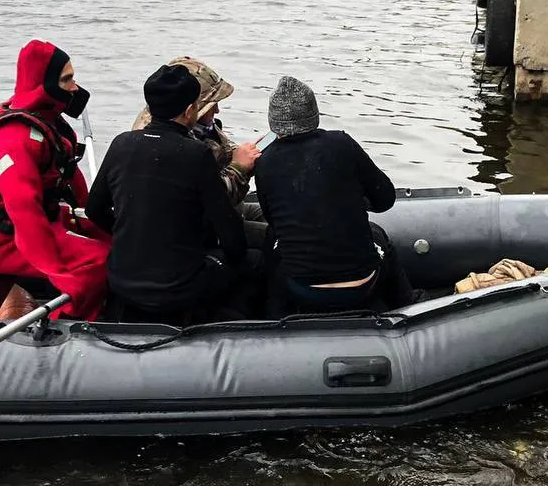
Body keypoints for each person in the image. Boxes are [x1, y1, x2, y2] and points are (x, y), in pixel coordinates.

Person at [86, 63, 262, 325]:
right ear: (190, 110)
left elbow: (93, 209)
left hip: (123, 282)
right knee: (255, 261)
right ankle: (230, 326)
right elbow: (231, 237)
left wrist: (127, 234)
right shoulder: (195, 154)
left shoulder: (121, 143)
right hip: (180, 287)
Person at [0, 39, 110, 320]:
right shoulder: (13, 140)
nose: (75, 88)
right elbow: (25, 214)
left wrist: (101, 222)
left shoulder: (47, 123)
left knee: (117, 242)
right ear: (45, 83)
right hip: (4, 242)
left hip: (47, 222)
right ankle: (63, 324)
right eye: (67, 80)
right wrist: (59, 272)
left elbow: (71, 181)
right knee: (102, 261)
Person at [253, 75, 418, 315]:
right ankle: (408, 309)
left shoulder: (265, 161)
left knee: (273, 246)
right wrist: (354, 202)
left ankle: (274, 322)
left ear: (273, 122)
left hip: (300, 289)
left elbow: (273, 220)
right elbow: (385, 199)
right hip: (363, 285)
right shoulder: (342, 143)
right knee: (379, 236)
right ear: (314, 114)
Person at [130, 56, 261, 212]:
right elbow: (214, 200)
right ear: (192, 108)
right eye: (213, 104)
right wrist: (239, 168)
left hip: (228, 210)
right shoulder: (172, 144)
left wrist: (247, 154)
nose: (217, 110)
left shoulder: (196, 125)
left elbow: (222, 148)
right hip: (200, 223)